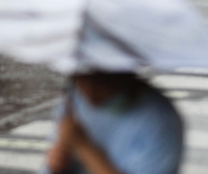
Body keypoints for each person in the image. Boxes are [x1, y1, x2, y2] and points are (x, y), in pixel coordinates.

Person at [43, 72, 183, 174]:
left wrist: (83, 146)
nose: (89, 90)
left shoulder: (159, 120)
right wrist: (56, 164)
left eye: (100, 79)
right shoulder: (74, 101)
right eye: (82, 79)